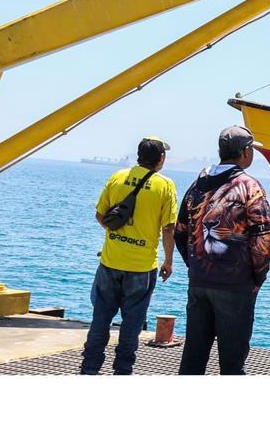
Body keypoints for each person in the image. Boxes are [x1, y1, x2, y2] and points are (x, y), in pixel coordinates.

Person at [175, 126, 270, 375]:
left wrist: (195, 264)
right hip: (235, 285)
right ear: (245, 152)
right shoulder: (249, 187)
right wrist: (257, 277)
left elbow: (180, 231)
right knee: (232, 364)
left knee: (193, 358)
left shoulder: (197, 185)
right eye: (251, 149)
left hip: (199, 282)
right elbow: (264, 239)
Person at [80, 136, 177, 375]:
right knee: (131, 327)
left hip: (110, 262)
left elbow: (100, 215)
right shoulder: (165, 186)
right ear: (161, 158)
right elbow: (168, 228)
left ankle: (89, 370)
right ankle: (122, 372)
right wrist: (168, 260)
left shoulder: (118, 177)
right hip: (141, 268)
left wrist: (117, 234)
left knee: (100, 320)